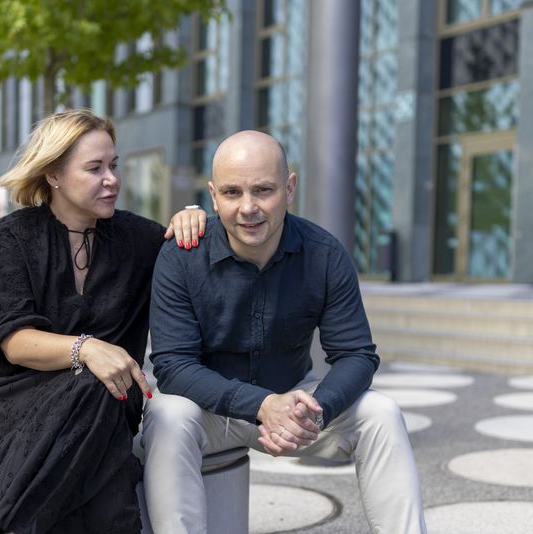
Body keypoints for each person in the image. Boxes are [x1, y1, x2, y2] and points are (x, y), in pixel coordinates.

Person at [142, 130, 426, 534]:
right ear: (213, 195)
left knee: (381, 414)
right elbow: (172, 365)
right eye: (232, 192)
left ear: (290, 188)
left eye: (263, 190)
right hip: (212, 409)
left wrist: (317, 410)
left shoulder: (324, 254)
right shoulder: (182, 255)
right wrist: (261, 405)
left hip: (298, 402)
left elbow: (357, 354)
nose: (248, 207)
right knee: (166, 415)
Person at [0, 108, 206, 534]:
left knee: (99, 391)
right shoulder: (11, 238)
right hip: (13, 396)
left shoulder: (140, 240)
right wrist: (88, 348)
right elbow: (14, 341)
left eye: (114, 165)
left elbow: (196, 256)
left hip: (106, 402)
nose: (112, 179)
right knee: (98, 411)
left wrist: (191, 214)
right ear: (55, 175)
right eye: (95, 168)